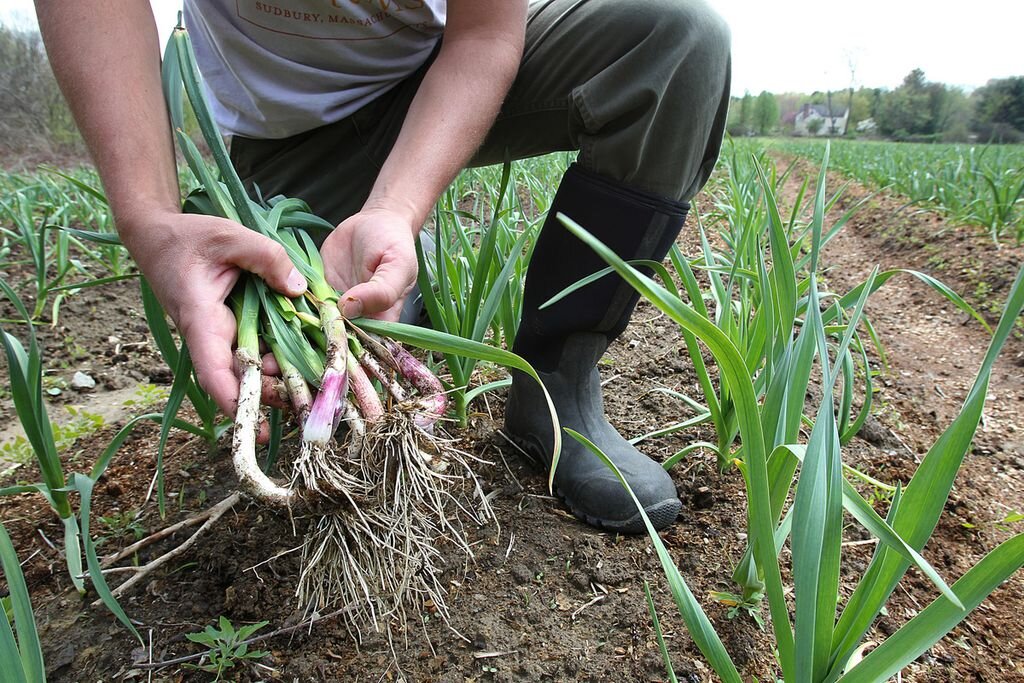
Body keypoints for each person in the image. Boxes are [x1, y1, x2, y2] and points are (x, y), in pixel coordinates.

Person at [34, 0, 731, 534]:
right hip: (291, 136)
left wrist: (398, 205)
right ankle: (395, 335)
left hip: (452, 73)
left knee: (677, 40)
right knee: (341, 392)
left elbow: (485, 34)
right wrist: (150, 221)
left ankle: (556, 394)